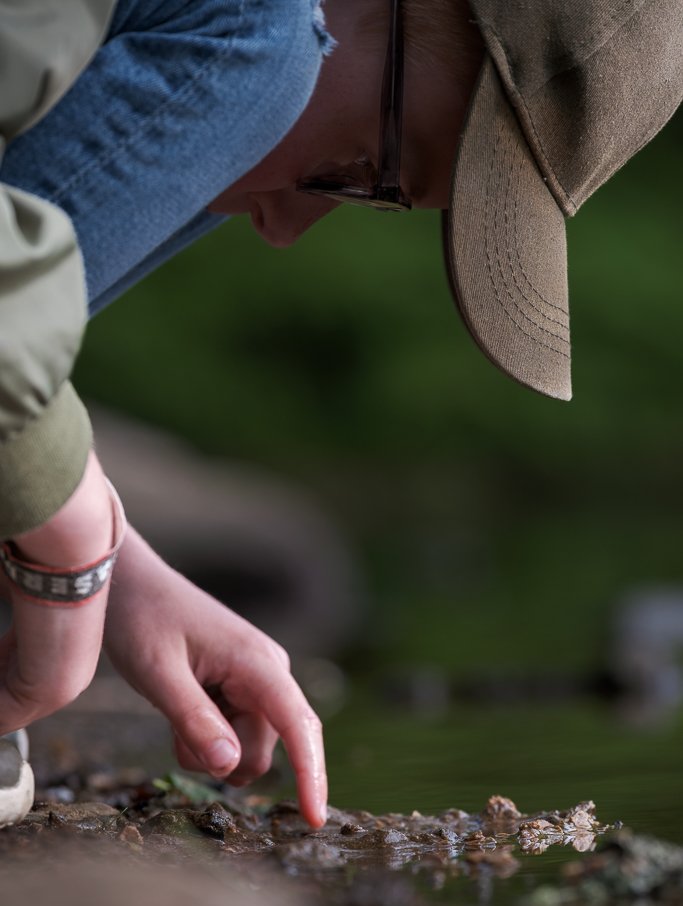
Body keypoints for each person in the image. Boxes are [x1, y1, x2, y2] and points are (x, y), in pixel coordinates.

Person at [0, 0, 680, 828]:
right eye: (369, 167)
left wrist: (120, 567)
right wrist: (67, 556)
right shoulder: (260, 32)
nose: (284, 226)